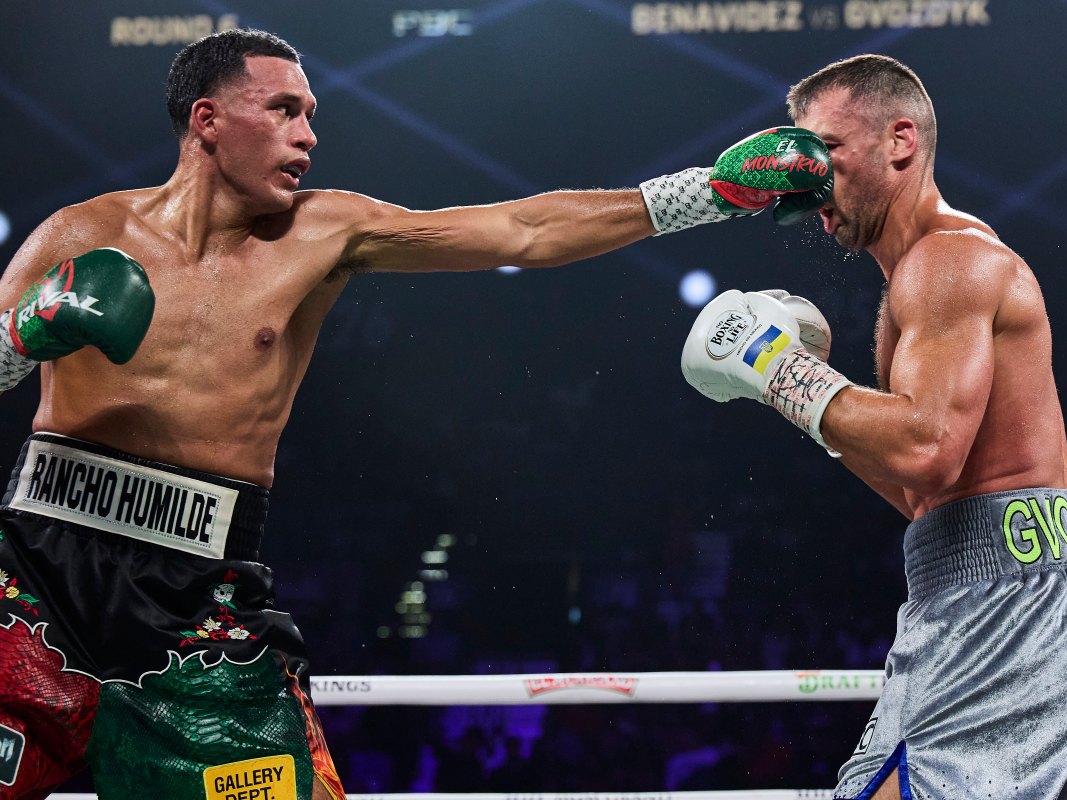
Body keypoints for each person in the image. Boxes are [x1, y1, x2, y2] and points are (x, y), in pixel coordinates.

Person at [0, 28, 831, 800]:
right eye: (284, 110)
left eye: (313, 116)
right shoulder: (82, 231)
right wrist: (25, 330)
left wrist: (708, 192)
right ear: (208, 120)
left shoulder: (325, 231)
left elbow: (521, 229)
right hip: (32, 579)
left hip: (200, 605)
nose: (309, 135)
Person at [680, 54, 1067, 799]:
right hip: (1035, 590)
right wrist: (792, 392)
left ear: (901, 140)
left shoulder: (947, 261)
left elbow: (925, 449)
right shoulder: (919, 285)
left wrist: (774, 365)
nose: (802, 175)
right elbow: (924, 487)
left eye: (824, 150)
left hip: (1003, 610)